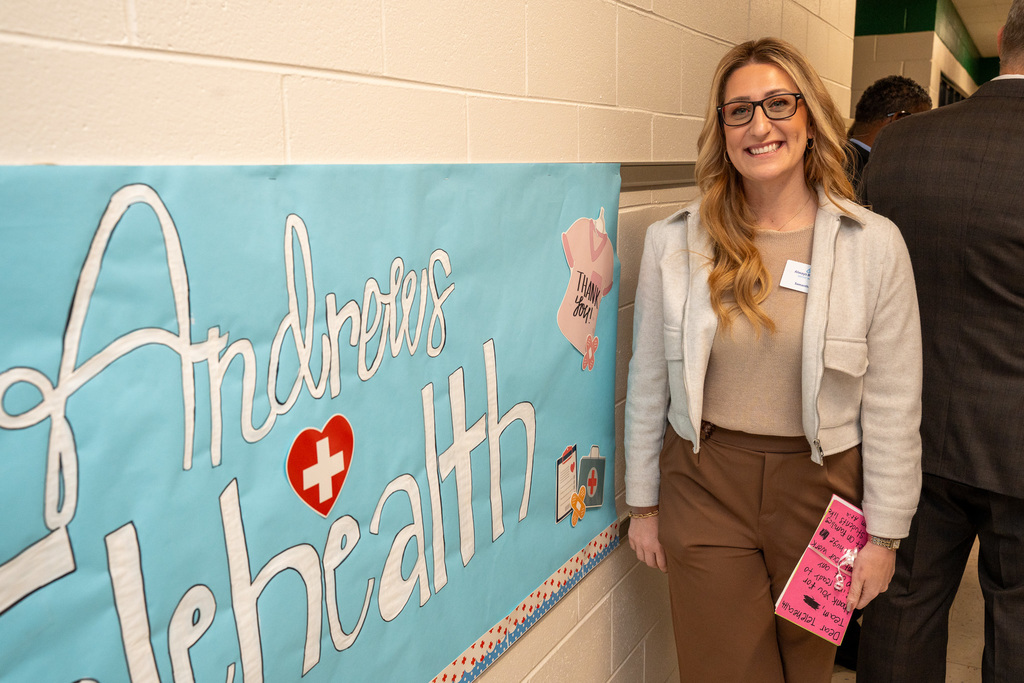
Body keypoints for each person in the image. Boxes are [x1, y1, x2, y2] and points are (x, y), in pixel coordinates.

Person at [624, 37, 923, 682]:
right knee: (725, 671)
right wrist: (643, 505)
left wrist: (886, 534)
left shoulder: (874, 247)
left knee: (806, 669)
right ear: (722, 130)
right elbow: (648, 380)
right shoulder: (674, 243)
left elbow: (896, 401)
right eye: (739, 111)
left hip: (827, 492)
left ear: (810, 119)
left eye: (779, 104)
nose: (760, 125)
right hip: (705, 485)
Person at [857, 2, 1024, 680]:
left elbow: (860, 289)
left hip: (910, 435)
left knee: (901, 612)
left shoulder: (900, 145)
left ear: (1000, 39)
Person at [845, 75, 932, 194]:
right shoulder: (876, 176)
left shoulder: (833, 160)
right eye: (922, 126)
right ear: (900, 120)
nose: (923, 137)